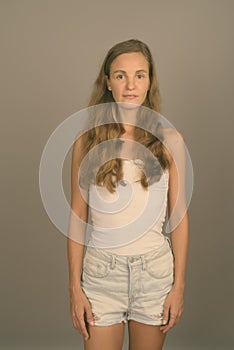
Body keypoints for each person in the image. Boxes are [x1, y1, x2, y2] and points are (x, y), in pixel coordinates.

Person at [67, 39, 189, 350]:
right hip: (100, 274)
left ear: (150, 81)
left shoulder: (170, 140)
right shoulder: (86, 143)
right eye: (120, 75)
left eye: (139, 75)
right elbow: (78, 217)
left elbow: (178, 218)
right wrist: (74, 288)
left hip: (154, 274)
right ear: (107, 82)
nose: (130, 85)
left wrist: (178, 286)